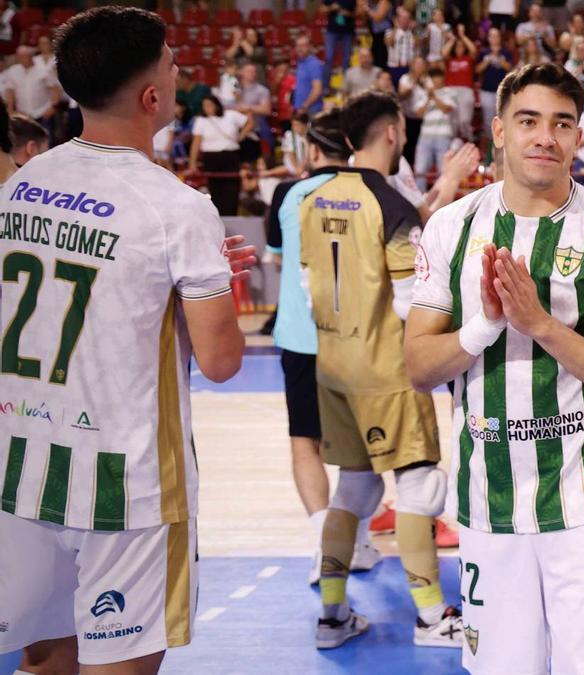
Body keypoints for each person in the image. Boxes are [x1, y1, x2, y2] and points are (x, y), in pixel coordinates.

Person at [0, 7, 254, 674]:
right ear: (152, 96)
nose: (177, 73)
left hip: (22, 465)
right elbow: (222, 360)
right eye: (172, 64)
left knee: (45, 660)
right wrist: (208, 286)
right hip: (125, 487)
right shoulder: (176, 207)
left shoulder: (24, 181)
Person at [405, 62, 584, 675]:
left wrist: (541, 324)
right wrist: (485, 326)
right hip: (488, 499)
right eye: (528, 121)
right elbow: (418, 366)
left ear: (578, 138)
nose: (545, 136)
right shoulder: (451, 228)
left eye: (561, 123)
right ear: (498, 131)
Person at [299, 91, 463, 649]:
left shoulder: (314, 199)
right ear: (393, 133)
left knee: (354, 488)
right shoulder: (389, 205)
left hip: (332, 366)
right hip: (387, 370)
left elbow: (306, 286)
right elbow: (408, 303)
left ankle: (332, 615)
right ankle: (432, 616)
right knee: (420, 484)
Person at [263, 109, 384, 586]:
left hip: (298, 337)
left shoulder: (287, 194)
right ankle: (356, 541)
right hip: (354, 339)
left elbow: (277, 257)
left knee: (304, 442)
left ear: (311, 150)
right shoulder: (366, 190)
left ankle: (323, 541)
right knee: (362, 449)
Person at [187, 94, 253, 216]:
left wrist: (242, 135)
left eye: (209, 105)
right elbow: (196, 144)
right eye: (204, 106)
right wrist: (192, 163)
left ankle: (231, 215)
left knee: (231, 189)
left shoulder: (231, 115)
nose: (207, 108)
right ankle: (218, 216)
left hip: (230, 155)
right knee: (216, 189)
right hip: (211, 157)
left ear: (216, 105)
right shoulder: (201, 121)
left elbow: (249, 122)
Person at [413, 67, 457, 191]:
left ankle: (442, 199)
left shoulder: (449, 92)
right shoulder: (423, 94)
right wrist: (428, 97)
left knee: (443, 171)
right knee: (420, 171)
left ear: (443, 78)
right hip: (425, 136)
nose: (436, 80)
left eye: (438, 77)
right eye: (433, 78)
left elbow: (447, 109)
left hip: (443, 136)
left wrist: (434, 97)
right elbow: (418, 113)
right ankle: (420, 199)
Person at [2, 45, 59, 135]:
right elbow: (10, 92)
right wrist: (10, 111)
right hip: (23, 115)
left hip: (43, 113)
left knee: (46, 141)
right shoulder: (13, 71)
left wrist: (53, 107)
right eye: (20, 57)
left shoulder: (43, 70)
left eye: (25, 56)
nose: (23, 59)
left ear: (31, 56)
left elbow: (55, 89)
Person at [477, 27, 514, 143]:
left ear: (500, 38)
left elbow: (509, 68)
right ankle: (490, 142)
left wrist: (498, 57)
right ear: (488, 38)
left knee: (502, 117)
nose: (494, 38)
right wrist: (487, 60)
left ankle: (502, 141)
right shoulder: (483, 52)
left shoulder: (505, 52)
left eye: (496, 35)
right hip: (486, 90)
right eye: (491, 36)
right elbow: (477, 70)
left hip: (502, 90)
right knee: (488, 119)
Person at [321, 0, 356, 87]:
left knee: (346, 60)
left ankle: (346, 88)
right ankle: (325, 87)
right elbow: (322, 9)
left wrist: (349, 14)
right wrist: (331, 8)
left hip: (347, 32)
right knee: (328, 58)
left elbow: (359, 12)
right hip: (332, 31)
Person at [293, 35, 325, 115]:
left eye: (303, 46)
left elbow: (317, 90)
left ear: (309, 47)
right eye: (297, 45)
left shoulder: (314, 64)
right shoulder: (300, 62)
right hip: (301, 110)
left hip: (311, 111)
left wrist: (304, 106)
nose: (299, 48)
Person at [385, 7, 417, 85]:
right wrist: (396, 27)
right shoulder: (389, 32)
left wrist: (414, 29)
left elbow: (419, 44)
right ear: (397, 19)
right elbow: (390, 42)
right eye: (403, 18)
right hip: (395, 68)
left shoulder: (413, 33)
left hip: (409, 68)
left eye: (407, 18)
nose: (405, 20)